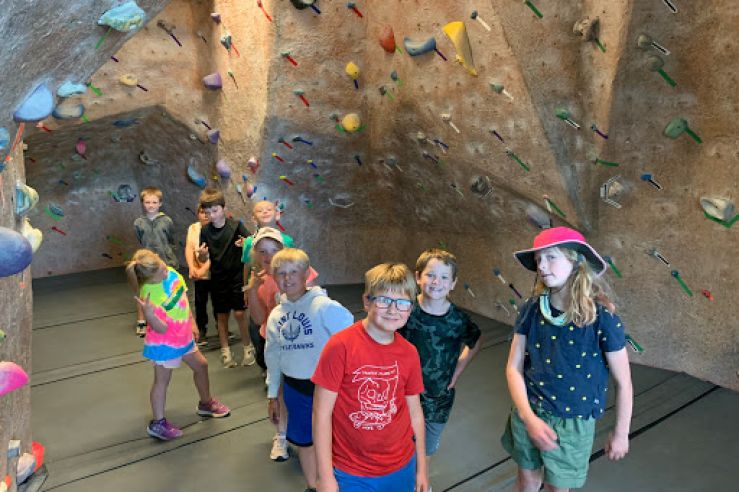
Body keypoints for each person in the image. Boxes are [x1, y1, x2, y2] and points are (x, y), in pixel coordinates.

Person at [502, 227, 633, 492]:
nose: (542, 266)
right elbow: (514, 368)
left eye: (551, 257)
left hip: (572, 422)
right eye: (539, 260)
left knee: (557, 488)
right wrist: (528, 417)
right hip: (530, 410)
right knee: (527, 479)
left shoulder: (602, 318)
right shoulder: (532, 309)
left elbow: (624, 382)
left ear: (575, 261)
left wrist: (621, 433)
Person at [312, 263, 429, 492]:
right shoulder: (340, 346)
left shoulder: (409, 353)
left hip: (401, 466)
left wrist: (421, 467)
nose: (393, 310)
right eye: (384, 300)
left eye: (403, 303)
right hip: (352, 471)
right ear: (367, 301)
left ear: (410, 308)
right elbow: (321, 413)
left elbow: (415, 413)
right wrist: (325, 476)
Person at [264, 248, 354, 492]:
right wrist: (273, 394)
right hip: (295, 389)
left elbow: (352, 340)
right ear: (274, 278)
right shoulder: (275, 316)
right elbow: (273, 356)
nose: (288, 278)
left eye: (294, 272)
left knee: (336, 439)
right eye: (281, 273)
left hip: (328, 388)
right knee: (305, 441)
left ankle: (338, 483)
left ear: (306, 274)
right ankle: (313, 485)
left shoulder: (325, 307)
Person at [125, 249, 230, 441]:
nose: (166, 273)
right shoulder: (149, 294)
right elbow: (161, 328)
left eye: (164, 268)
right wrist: (148, 315)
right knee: (162, 381)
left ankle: (205, 404)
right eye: (161, 274)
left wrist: (193, 323)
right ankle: (158, 423)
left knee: (202, 366)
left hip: (184, 337)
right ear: (150, 279)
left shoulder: (172, 273)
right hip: (165, 344)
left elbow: (183, 299)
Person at [399, 248, 482, 483]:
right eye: (430, 275)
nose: (437, 282)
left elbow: (475, 340)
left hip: (438, 399)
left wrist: (458, 368)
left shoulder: (458, 319)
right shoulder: (407, 311)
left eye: (444, 277)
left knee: (425, 448)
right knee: (400, 443)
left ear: (453, 283)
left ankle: (421, 483)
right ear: (418, 277)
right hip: (403, 395)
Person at [245, 228, 319, 462]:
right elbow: (258, 319)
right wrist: (253, 290)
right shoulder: (259, 281)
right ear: (255, 254)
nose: (268, 256)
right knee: (278, 392)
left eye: (274, 250)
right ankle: (282, 435)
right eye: (262, 251)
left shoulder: (294, 272)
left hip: (304, 342)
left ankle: (318, 434)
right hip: (275, 341)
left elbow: (314, 298)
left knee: (309, 392)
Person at [196, 188, 255, 368]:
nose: (211, 215)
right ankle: (226, 351)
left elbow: (252, 244)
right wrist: (202, 255)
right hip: (218, 278)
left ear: (223, 208)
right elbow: (203, 257)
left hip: (237, 276)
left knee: (239, 313)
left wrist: (245, 243)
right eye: (207, 213)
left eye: (215, 211)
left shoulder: (236, 225)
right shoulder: (205, 231)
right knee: (221, 316)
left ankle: (247, 348)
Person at [133, 187, 177, 336]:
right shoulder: (138, 223)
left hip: (166, 261)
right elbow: (140, 239)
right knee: (145, 291)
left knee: (167, 290)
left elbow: (171, 239)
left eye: (154, 202)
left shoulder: (167, 221)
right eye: (147, 202)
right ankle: (142, 321)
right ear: (143, 203)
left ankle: (168, 318)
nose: (151, 205)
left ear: (160, 203)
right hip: (147, 264)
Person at [185, 205, 212, 345]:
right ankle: (202, 329)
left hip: (215, 272)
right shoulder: (193, 228)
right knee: (200, 302)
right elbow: (189, 248)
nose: (205, 215)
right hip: (199, 273)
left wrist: (204, 270)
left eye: (208, 212)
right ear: (198, 214)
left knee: (219, 301)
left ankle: (222, 329)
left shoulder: (216, 228)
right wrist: (191, 267)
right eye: (202, 212)